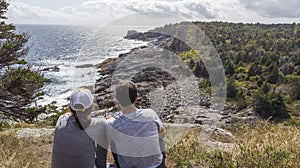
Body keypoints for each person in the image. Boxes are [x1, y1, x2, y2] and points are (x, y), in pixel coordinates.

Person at [106, 81, 166, 168]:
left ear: (117, 99)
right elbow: (163, 133)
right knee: (160, 132)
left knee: (114, 142)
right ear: (137, 97)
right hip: (157, 165)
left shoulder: (112, 125)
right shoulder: (150, 114)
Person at [52, 88, 108, 168]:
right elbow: (101, 163)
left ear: (71, 107)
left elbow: (70, 116)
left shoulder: (61, 120)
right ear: (91, 106)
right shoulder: (100, 125)